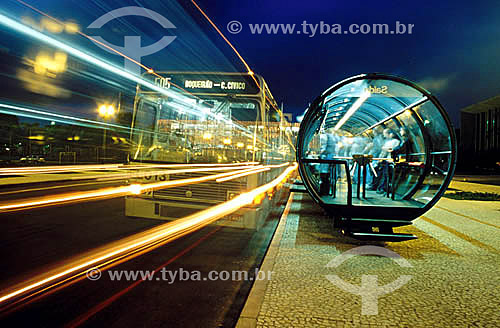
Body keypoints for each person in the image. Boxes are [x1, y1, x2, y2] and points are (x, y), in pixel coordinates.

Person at [376, 129, 400, 194]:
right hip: (387, 160)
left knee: (388, 175)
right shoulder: (388, 142)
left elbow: (390, 149)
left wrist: (385, 149)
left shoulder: (395, 141)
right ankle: (383, 188)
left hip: (391, 160)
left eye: (385, 133)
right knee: (385, 175)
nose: (384, 135)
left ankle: (385, 188)